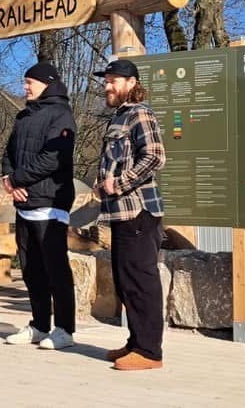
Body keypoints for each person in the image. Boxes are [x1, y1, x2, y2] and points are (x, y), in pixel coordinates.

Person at [93, 57, 166, 371]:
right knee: (125, 282)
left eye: (113, 81)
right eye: (106, 81)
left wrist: (119, 183)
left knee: (140, 281)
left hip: (139, 210)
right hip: (121, 213)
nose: (107, 86)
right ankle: (136, 343)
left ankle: (150, 352)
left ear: (131, 83)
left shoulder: (139, 114)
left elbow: (155, 156)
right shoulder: (118, 117)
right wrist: (101, 184)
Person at [2, 62, 77, 350]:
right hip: (24, 204)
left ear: (46, 83)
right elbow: (8, 153)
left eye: (29, 82)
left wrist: (18, 178)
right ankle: (39, 324)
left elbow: (52, 158)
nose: (25, 87)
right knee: (31, 269)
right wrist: (10, 181)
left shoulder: (61, 115)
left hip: (50, 204)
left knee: (55, 269)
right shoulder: (23, 117)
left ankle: (65, 329)